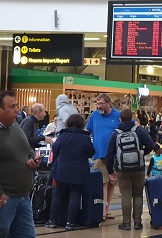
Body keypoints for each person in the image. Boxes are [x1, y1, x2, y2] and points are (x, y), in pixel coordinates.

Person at [0, 90, 41, 238]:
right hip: (5, 199)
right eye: (12, 107)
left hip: (23, 197)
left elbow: (27, 148)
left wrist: (32, 159)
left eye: (16, 106)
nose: (17, 110)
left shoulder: (15, 126)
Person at [45, 114, 95, 231]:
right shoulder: (85, 137)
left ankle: (52, 220)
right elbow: (91, 152)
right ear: (82, 124)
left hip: (62, 169)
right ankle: (70, 222)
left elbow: (55, 149)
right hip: (79, 170)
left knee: (58, 194)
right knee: (75, 195)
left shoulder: (62, 135)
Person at [106, 108, 154, 230]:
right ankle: (138, 222)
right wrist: (141, 154)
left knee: (125, 194)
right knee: (138, 195)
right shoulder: (139, 130)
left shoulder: (116, 133)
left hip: (122, 169)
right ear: (132, 118)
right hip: (139, 167)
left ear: (120, 119)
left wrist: (111, 170)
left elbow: (109, 154)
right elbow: (150, 145)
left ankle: (126, 223)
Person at [86, 93, 121, 221]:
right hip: (99, 154)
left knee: (112, 183)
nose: (98, 106)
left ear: (108, 103)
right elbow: (87, 131)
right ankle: (101, 210)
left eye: (101, 103)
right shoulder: (94, 115)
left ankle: (107, 209)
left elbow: (132, 126)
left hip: (114, 156)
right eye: (97, 103)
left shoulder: (118, 115)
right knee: (102, 182)